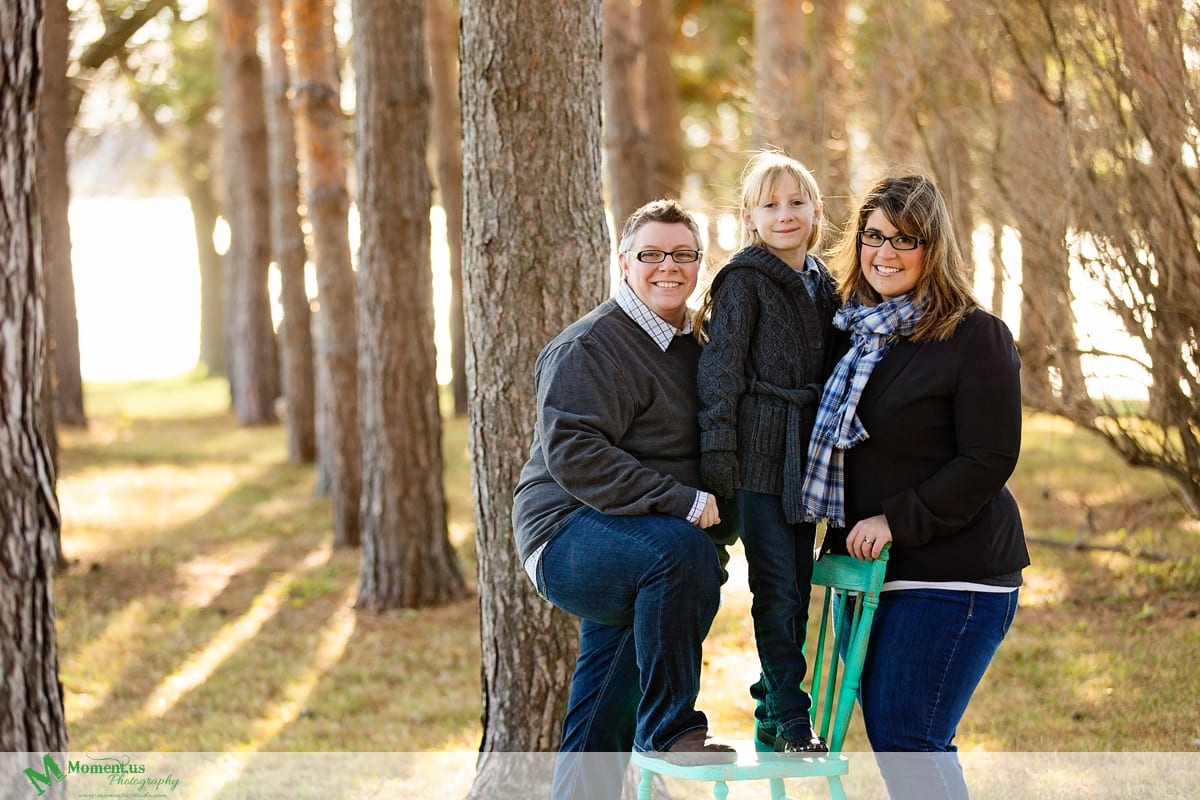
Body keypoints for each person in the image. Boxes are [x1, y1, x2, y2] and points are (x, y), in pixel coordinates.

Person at [800, 172, 1030, 799]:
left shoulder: (972, 335)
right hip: (871, 572)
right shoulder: (853, 335)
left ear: (934, 250)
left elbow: (989, 458)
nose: (885, 254)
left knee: (910, 738)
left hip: (953, 572)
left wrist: (896, 520)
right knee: (900, 737)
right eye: (874, 236)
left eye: (906, 240)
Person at [512, 199, 739, 800]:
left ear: (699, 263)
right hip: (566, 530)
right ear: (624, 262)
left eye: (684, 254)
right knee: (681, 555)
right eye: (652, 255)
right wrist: (683, 503)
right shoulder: (590, 346)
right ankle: (669, 730)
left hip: (635, 537)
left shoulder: (698, 346)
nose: (670, 266)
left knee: (605, 707)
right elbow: (577, 454)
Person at [694, 150, 841, 754]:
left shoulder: (825, 284)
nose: (786, 214)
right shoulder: (743, 280)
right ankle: (790, 713)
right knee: (777, 587)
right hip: (756, 457)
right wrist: (720, 460)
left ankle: (768, 709)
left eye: (797, 202)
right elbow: (720, 373)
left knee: (798, 587)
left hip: (805, 460)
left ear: (816, 212)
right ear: (751, 216)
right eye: (771, 204)